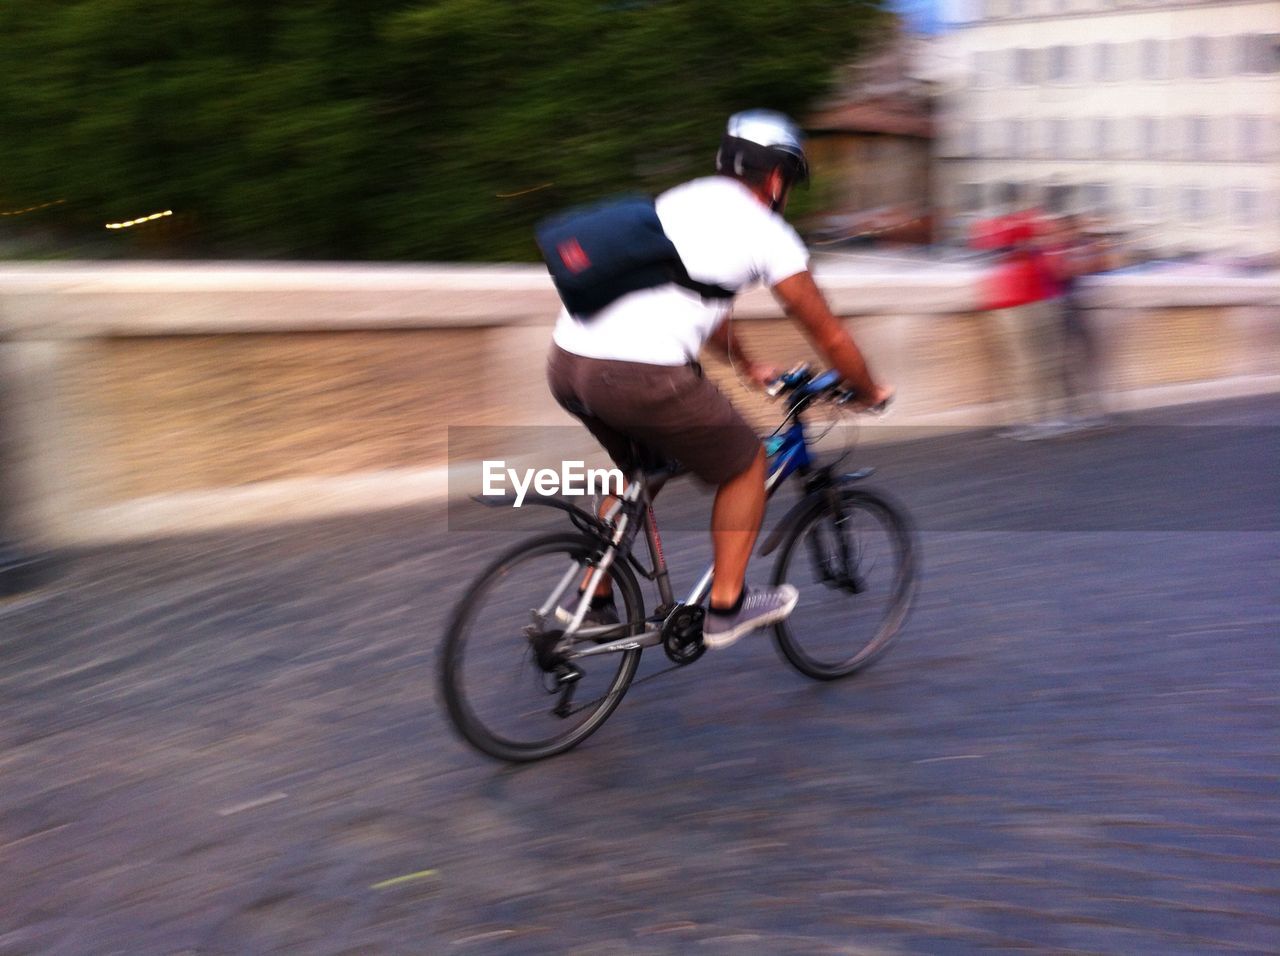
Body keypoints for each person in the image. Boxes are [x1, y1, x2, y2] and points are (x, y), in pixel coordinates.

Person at [546, 110, 892, 649]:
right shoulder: (769, 234)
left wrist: (749, 365)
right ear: (777, 178)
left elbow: (703, 297)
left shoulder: (681, 199)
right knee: (747, 463)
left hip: (568, 360)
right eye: (790, 183)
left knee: (642, 465)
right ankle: (727, 605)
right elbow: (830, 336)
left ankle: (592, 594)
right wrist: (869, 390)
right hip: (636, 372)